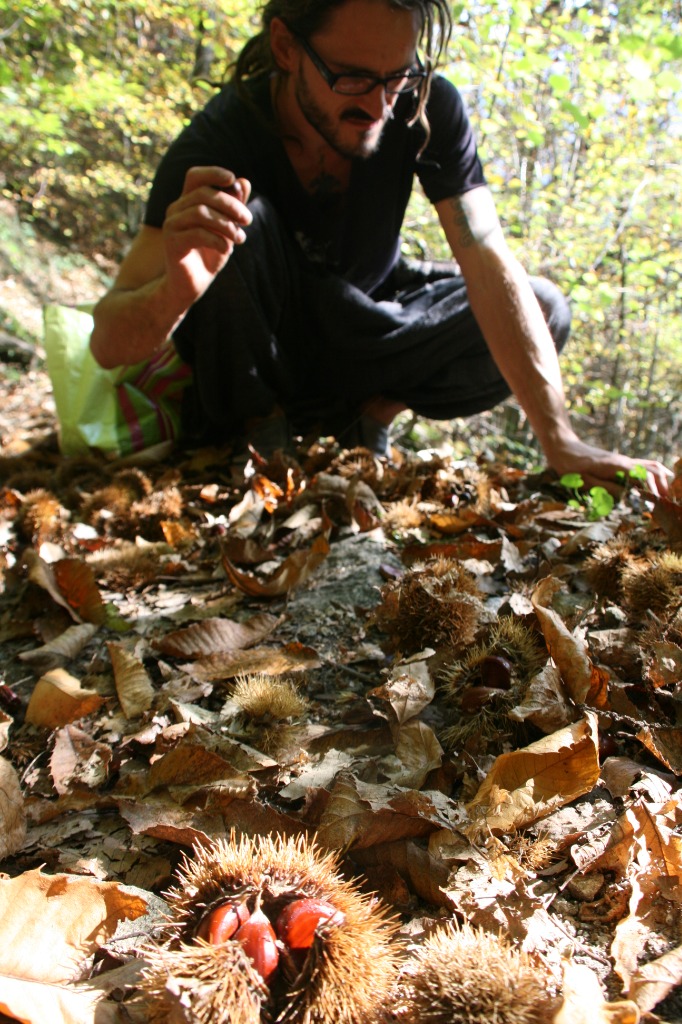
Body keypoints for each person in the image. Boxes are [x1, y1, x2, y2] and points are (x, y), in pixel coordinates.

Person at [90, 0, 671, 496]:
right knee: (235, 217)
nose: (378, 105)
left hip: (364, 327)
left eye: (397, 76)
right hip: (258, 350)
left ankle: (368, 421)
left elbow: (485, 252)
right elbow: (108, 344)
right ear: (286, 47)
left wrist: (560, 439)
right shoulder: (220, 139)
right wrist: (177, 290)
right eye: (351, 77)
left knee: (542, 309)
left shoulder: (422, 106)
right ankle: (261, 432)